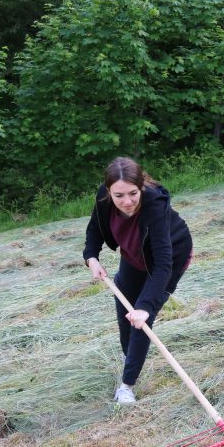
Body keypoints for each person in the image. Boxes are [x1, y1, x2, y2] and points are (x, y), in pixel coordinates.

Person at [83, 157, 192, 404]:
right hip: (134, 254)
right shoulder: (104, 196)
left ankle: (127, 386)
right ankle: (129, 355)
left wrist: (146, 307)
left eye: (133, 193)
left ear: (141, 186)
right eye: (119, 195)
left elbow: (164, 263)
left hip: (169, 257)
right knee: (124, 307)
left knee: (141, 319)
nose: (127, 201)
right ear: (109, 190)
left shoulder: (153, 203)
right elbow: (95, 229)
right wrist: (91, 257)